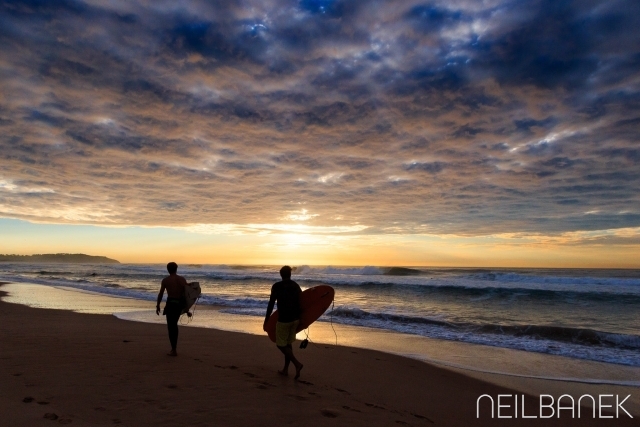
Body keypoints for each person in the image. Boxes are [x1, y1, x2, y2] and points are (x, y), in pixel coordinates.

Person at [263, 265, 304, 379]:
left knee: (280, 345)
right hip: (295, 320)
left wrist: (267, 319)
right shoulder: (295, 285)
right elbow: (302, 301)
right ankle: (285, 370)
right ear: (290, 274)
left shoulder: (277, 286)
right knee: (288, 344)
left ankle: (297, 364)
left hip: (284, 320)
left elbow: (271, 304)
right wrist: (303, 319)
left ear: (280, 274)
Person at [156, 262, 188, 356]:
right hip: (179, 305)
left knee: (171, 327)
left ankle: (173, 350)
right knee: (174, 325)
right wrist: (186, 308)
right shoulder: (182, 279)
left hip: (170, 304)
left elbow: (161, 294)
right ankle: (174, 349)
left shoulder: (165, 280)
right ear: (176, 269)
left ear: (168, 269)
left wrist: (158, 305)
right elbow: (187, 294)